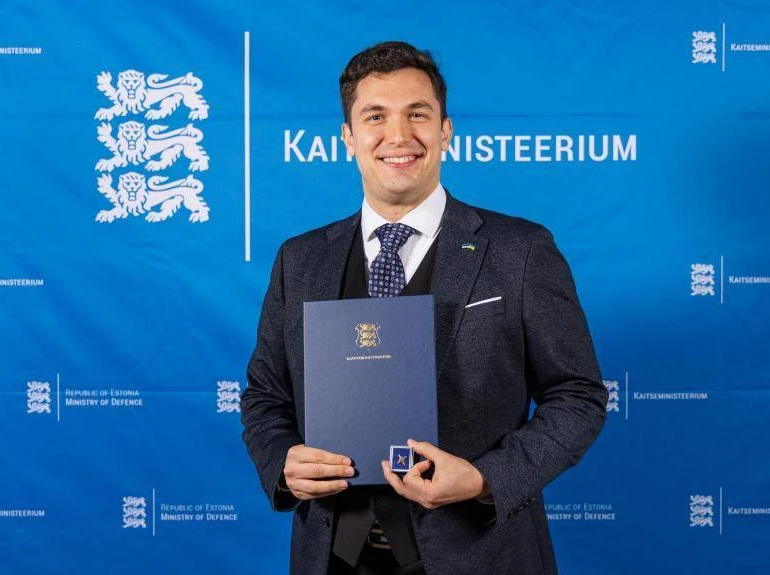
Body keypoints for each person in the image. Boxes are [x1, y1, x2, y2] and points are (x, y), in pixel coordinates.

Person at [242, 41, 606, 575]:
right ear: (348, 137)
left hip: (478, 554)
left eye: (417, 114)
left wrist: (485, 479)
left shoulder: (520, 250)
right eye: (375, 117)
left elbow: (578, 396)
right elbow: (265, 396)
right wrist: (282, 463)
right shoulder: (300, 260)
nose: (398, 136)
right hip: (332, 556)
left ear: (445, 130)